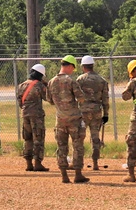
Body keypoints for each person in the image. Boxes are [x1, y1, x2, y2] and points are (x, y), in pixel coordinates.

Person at [46, 55, 89, 184]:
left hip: (60, 119)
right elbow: (81, 98)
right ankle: (78, 174)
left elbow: (50, 101)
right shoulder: (71, 81)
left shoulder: (51, 82)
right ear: (70, 66)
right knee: (77, 146)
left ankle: (64, 175)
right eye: (73, 68)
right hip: (74, 119)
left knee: (62, 147)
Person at [76, 55, 110, 171]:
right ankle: (95, 163)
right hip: (96, 111)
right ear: (93, 65)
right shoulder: (102, 80)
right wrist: (106, 114)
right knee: (95, 137)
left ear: (83, 66)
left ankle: (78, 162)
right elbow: (105, 99)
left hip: (83, 112)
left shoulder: (80, 79)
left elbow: (76, 96)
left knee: (80, 137)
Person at [17, 63, 49, 171]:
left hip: (25, 114)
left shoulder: (21, 85)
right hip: (37, 116)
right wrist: (46, 85)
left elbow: (20, 102)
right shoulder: (39, 86)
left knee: (28, 138)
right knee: (38, 138)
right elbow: (48, 98)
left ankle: (29, 164)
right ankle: (38, 163)